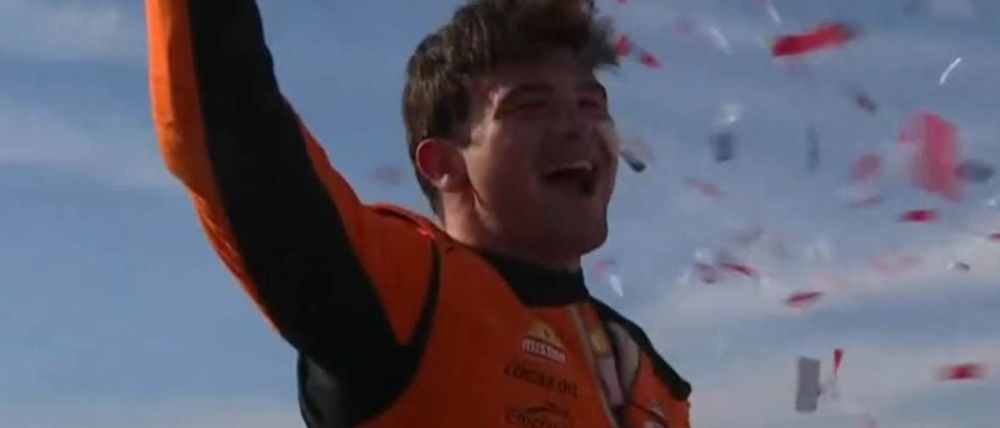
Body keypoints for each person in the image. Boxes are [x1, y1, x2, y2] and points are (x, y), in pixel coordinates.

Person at [145, 0, 692, 426]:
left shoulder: (645, 373)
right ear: (442, 164)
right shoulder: (404, 295)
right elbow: (225, 122)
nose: (579, 127)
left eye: (592, 104)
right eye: (529, 106)